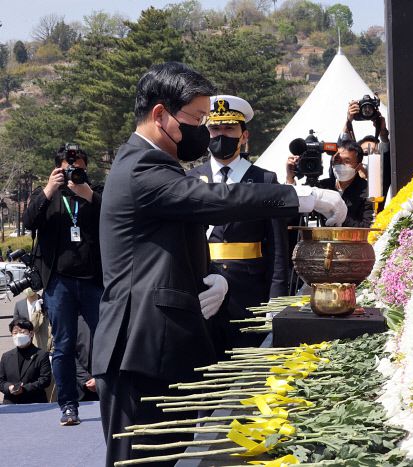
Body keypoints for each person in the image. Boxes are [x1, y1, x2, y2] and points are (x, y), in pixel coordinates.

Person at [92, 61, 346, 466]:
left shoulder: (154, 165)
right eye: (197, 120)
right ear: (161, 115)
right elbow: (212, 199)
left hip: (159, 347)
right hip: (138, 349)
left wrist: (209, 277)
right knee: (140, 462)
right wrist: (301, 197)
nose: (204, 131)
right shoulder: (141, 164)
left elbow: (165, 246)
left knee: (168, 456)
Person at [188, 95, 289, 354]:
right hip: (202, 291)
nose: (221, 135)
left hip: (249, 294)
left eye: (229, 129)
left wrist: (276, 300)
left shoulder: (264, 180)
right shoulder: (189, 179)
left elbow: (278, 248)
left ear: (244, 136)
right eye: (215, 129)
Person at [23, 143, 103, 426]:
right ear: (56, 169)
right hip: (59, 282)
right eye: (69, 169)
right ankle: (68, 406)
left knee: (106, 339)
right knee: (64, 345)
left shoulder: (94, 193)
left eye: (79, 168)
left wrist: (88, 194)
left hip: (93, 280)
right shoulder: (47, 195)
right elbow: (29, 221)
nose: (74, 174)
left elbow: (113, 218)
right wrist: (49, 188)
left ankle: (113, 397)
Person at [286, 139, 373, 227]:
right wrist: (290, 178)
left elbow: (368, 227)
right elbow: (291, 217)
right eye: (337, 160)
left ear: (358, 166)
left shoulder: (368, 191)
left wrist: (340, 215)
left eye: (347, 161)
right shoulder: (320, 187)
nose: (341, 165)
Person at [344, 101, 392, 202]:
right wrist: (348, 121)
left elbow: (387, 150)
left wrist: (382, 131)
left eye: (375, 153)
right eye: (366, 153)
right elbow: (342, 150)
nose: (371, 156)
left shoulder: (382, 179)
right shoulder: (346, 178)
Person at [0, 318, 52, 404]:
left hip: (35, 402)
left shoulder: (41, 355)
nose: (18, 335)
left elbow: (45, 380)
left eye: (22, 332)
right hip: (11, 403)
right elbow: (1, 380)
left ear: (31, 333)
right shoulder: (6, 356)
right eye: (15, 333)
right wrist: (9, 387)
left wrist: (24, 389)